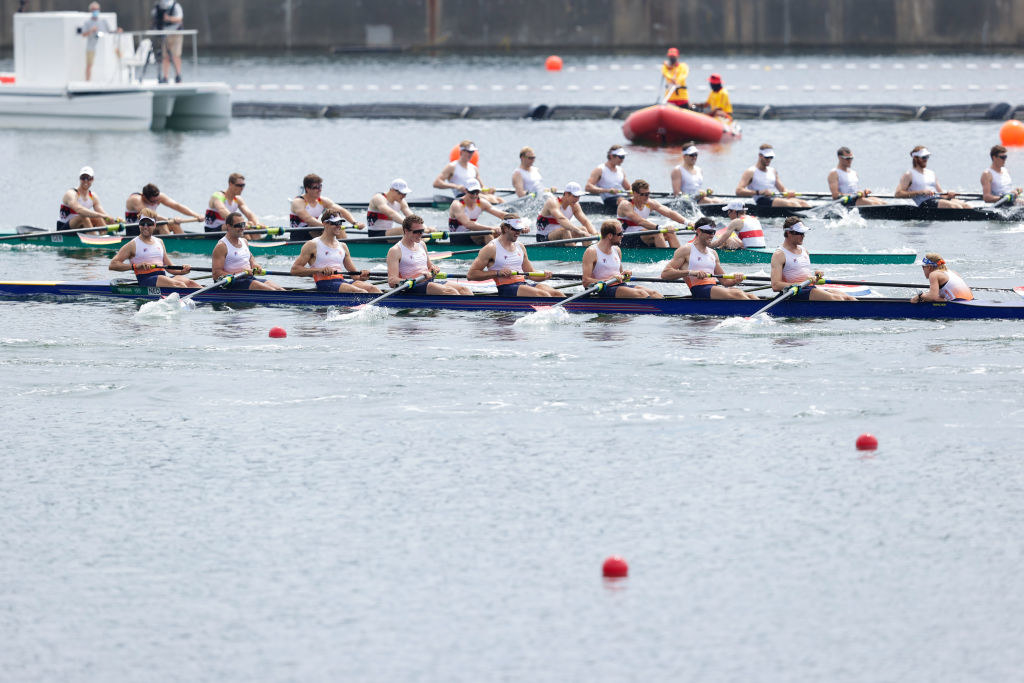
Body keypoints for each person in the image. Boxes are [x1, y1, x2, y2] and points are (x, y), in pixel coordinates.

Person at [660, 217, 757, 300]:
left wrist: (736, 279)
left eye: (713, 232)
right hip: (699, 290)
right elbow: (665, 274)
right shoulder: (686, 250)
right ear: (698, 231)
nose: (712, 235)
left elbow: (725, 282)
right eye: (708, 232)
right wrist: (690, 272)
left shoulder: (713, 253)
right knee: (738, 294)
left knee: (750, 295)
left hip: (712, 288)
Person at [466, 216, 562, 297]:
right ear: (505, 228)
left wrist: (544, 276)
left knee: (557, 294)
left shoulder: (520, 246)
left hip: (523, 284)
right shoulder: (491, 248)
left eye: (519, 229)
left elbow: (531, 274)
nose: (518, 232)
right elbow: (471, 275)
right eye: (515, 229)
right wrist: (498, 273)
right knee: (544, 296)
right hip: (506, 288)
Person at [289, 210, 380, 294]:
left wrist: (362, 276)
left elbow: (354, 276)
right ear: (325, 223)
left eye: (340, 222)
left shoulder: (343, 246)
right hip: (324, 283)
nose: (338, 226)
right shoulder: (312, 245)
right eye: (335, 223)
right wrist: (319, 270)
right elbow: (295, 270)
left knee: (373, 289)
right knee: (361, 292)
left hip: (341, 281)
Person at [770, 217, 855, 301]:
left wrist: (816, 276)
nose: (803, 236)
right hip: (794, 293)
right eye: (800, 233)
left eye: (804, 233)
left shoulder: (804, 251)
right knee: (837, 299)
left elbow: (803, 276)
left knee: (849, 298)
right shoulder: (779, 255)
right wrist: (801, 284)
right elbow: (775, 286)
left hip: (808, 289)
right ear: (788, 233)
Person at [386, 215, 472, 295]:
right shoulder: (395, 250)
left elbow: (429, 266)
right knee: (450, 291)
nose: (421, 234)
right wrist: (415, 279)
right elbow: (392, 281)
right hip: (413, 287)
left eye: (422, 231)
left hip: (429, 283)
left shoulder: (422, 244)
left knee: (464, 289)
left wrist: (434, 269)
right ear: (406, 231)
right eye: (417, 232)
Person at [108, 215, 199, 287]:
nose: (145, 227)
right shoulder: (132, 245)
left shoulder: (159, 242)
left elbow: (170, 268)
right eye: (142, 224)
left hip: (162, 278)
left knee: (191, 283)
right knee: (180, 285)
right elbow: (113, 265)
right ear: (139, 225)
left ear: (155, 225)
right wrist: (135, 266)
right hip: (146, 280)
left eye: (149, 224)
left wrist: (183, 270)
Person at [581, 220, 663, 299]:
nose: (622, 236)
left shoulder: (617, 250)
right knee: (641, 294)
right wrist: (608, 280)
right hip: (604, 289)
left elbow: (620, 275)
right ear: (610, 236)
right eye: (620, 234)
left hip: (620, 286)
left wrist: (624, 274)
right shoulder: (591, 252)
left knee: (654, 293)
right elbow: (585, 282)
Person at [210, 212, 285, 290]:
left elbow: (250, 257)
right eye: (238, 225)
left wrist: (254, 264)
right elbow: (216, 274)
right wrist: (239, 274)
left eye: (243, 224)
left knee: (280, 290)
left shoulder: (244, 241)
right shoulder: (222, 246)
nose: (242, 228)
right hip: (232, 283)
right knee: (272, 291)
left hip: (249, 279)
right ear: (228, 227)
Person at [616, 179, 687, 248]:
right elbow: (640, 221)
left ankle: (679, 256)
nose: (647, 197)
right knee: (657, 232)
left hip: (642, 235)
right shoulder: (626, 205)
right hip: (625, 237)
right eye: (644, 194)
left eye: (648, 194)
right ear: (635, 193)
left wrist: (687, 222)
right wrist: (660, 228)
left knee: (670, 233)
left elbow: (670, 213)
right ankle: (664, 258)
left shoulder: (650, 203)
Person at [735, 144, 811, 208]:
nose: (769, 160)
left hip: (775, 198)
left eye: (771, 157)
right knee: (794, 204)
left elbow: (782, 189)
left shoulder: (772, 171)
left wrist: (788, 192)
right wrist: (760, 192)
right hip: (762, 200)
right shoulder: (750, 171)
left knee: (804, 204)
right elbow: (739, 191)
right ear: (760, 156)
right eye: (767, 157)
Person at [894, 146, 970, 209]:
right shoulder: (908, 175)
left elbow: (941, 194)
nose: (926, 160)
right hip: (925, 204)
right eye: (923, 157)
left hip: (938, 200)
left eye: (927, 157)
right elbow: (898, 194)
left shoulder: (931, 173)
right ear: (915, 158)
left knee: (966, 206)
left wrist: (949, 194)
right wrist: (920, 192)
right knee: (956, 207)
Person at [433, 140, 503, 204]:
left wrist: (489, 190)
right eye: (469, 152)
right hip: (461, 196)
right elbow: (436, 183)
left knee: (500, 199)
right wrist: (456, 186)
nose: (471, 154)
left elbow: (482, 188)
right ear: (461, 151)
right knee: (492, 199)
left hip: (474, 195)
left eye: (472, 152)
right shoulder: (452, 167)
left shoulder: (474, 168)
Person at [289, 173, 354, 241]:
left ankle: (344, 248)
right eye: (315, 188)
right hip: (298, 235)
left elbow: (341, 211)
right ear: (307, 189)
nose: (319, 190)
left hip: (313, 232)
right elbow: (308, 219)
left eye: (320, 186)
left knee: (339, 227)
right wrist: (328, 226)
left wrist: (354, 222)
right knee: (328, 228)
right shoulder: (298, 202)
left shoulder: (322, 201)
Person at [447, 178, 510, 246]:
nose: (474, 195)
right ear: (465, 191)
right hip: (457, 237)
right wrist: (491, 228)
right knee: (487, 233)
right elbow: (468, 224)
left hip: (472, 235)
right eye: (472, 192)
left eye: (477, 192)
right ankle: (494, 253)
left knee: (500, 233)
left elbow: (501, 214)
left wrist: (517, 220)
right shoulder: (457, 204)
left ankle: (503, 251)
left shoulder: (481, 203)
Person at [125, 183, 202, 235]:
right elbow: (150, 214)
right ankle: (171, 247)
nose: (156, 202)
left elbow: (177, 206)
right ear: (143, 197)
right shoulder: (135, 200)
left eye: (157, 200)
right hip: (135, 230)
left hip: (149, 226)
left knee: (174, 224)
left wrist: (197, 215)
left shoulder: (158, 197)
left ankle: (185, 244)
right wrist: (169, 220)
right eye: (153, 201)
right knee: (163, 225)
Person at [58, 166, 117, 231]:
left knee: (99, 218)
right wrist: (102, 216)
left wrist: (115, 222)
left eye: (88, 178)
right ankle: (94, 238)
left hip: (80, 227)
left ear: (92, 179)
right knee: (84, 216)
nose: (86, 181)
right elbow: (79, 210)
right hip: (63, 228)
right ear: (79, 179)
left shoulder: (93, 197)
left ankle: (106, 237)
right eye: (83, 178)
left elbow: (104, 215)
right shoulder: (71, 193)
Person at [79, 2, 121, 81]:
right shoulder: (87, 22)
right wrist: (91, 30)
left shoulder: (103, 21)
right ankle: (88, 82)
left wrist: (117, 31)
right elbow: (83, 34)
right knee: (89, 65)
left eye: (97, 9)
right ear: (90, 11)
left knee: (118, 56)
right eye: (94, 9)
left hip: (105, 48)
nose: (95, 11)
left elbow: (109, 32)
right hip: (91, 47)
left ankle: (116, 79)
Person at [585, 146, 631, 212]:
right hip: (609, 199)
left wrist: (636, 194)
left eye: (623, 157)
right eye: (621, 157)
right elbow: (588, 187)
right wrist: (608, 190)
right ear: (612, 156)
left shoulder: (621, 170)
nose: (622, 160)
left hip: (623, 199)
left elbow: (629, 188)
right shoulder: (600, 170)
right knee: (622, 200)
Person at [153, 0, 184, 84]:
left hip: (176, 34)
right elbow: (155, 16)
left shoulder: (176, 6)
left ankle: (178, 76)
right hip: (164, 34)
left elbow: (180, 18)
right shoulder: (158, 6)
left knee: (175, 55)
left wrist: (169, 18)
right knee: (165, 55)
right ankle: (165, 77)